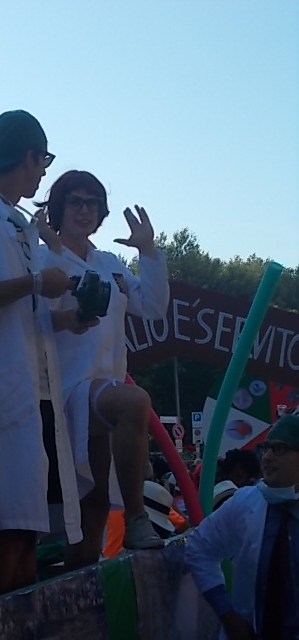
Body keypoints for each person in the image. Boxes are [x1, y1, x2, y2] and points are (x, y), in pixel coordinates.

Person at [0, 110, 94, 597]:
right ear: (28, 156)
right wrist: (34, 282)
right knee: (5, 529)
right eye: (43, 161)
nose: (43, 172)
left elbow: (18, 314)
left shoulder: (14, 221)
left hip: (31, 396)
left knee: (28, 531)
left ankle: (17, 623)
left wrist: (65, 318)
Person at [40, 170, 170, 568]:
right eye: (75, 202)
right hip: (63, 389)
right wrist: (68, 315)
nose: (84, 210)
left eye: (93, 203)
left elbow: (153, 307)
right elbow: (32, 318)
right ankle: (136, 517)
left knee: (95, 505)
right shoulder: (42, 257)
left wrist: (148, 251)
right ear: (58, 207)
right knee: (135, 402)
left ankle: (82, 582)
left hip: (102, 390)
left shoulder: (109, 263)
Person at [186, 414, 299, 640]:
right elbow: (198, 547)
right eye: (265, 448)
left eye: (279, 449)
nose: (267, 458)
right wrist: (227, 615)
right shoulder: (243, 502)